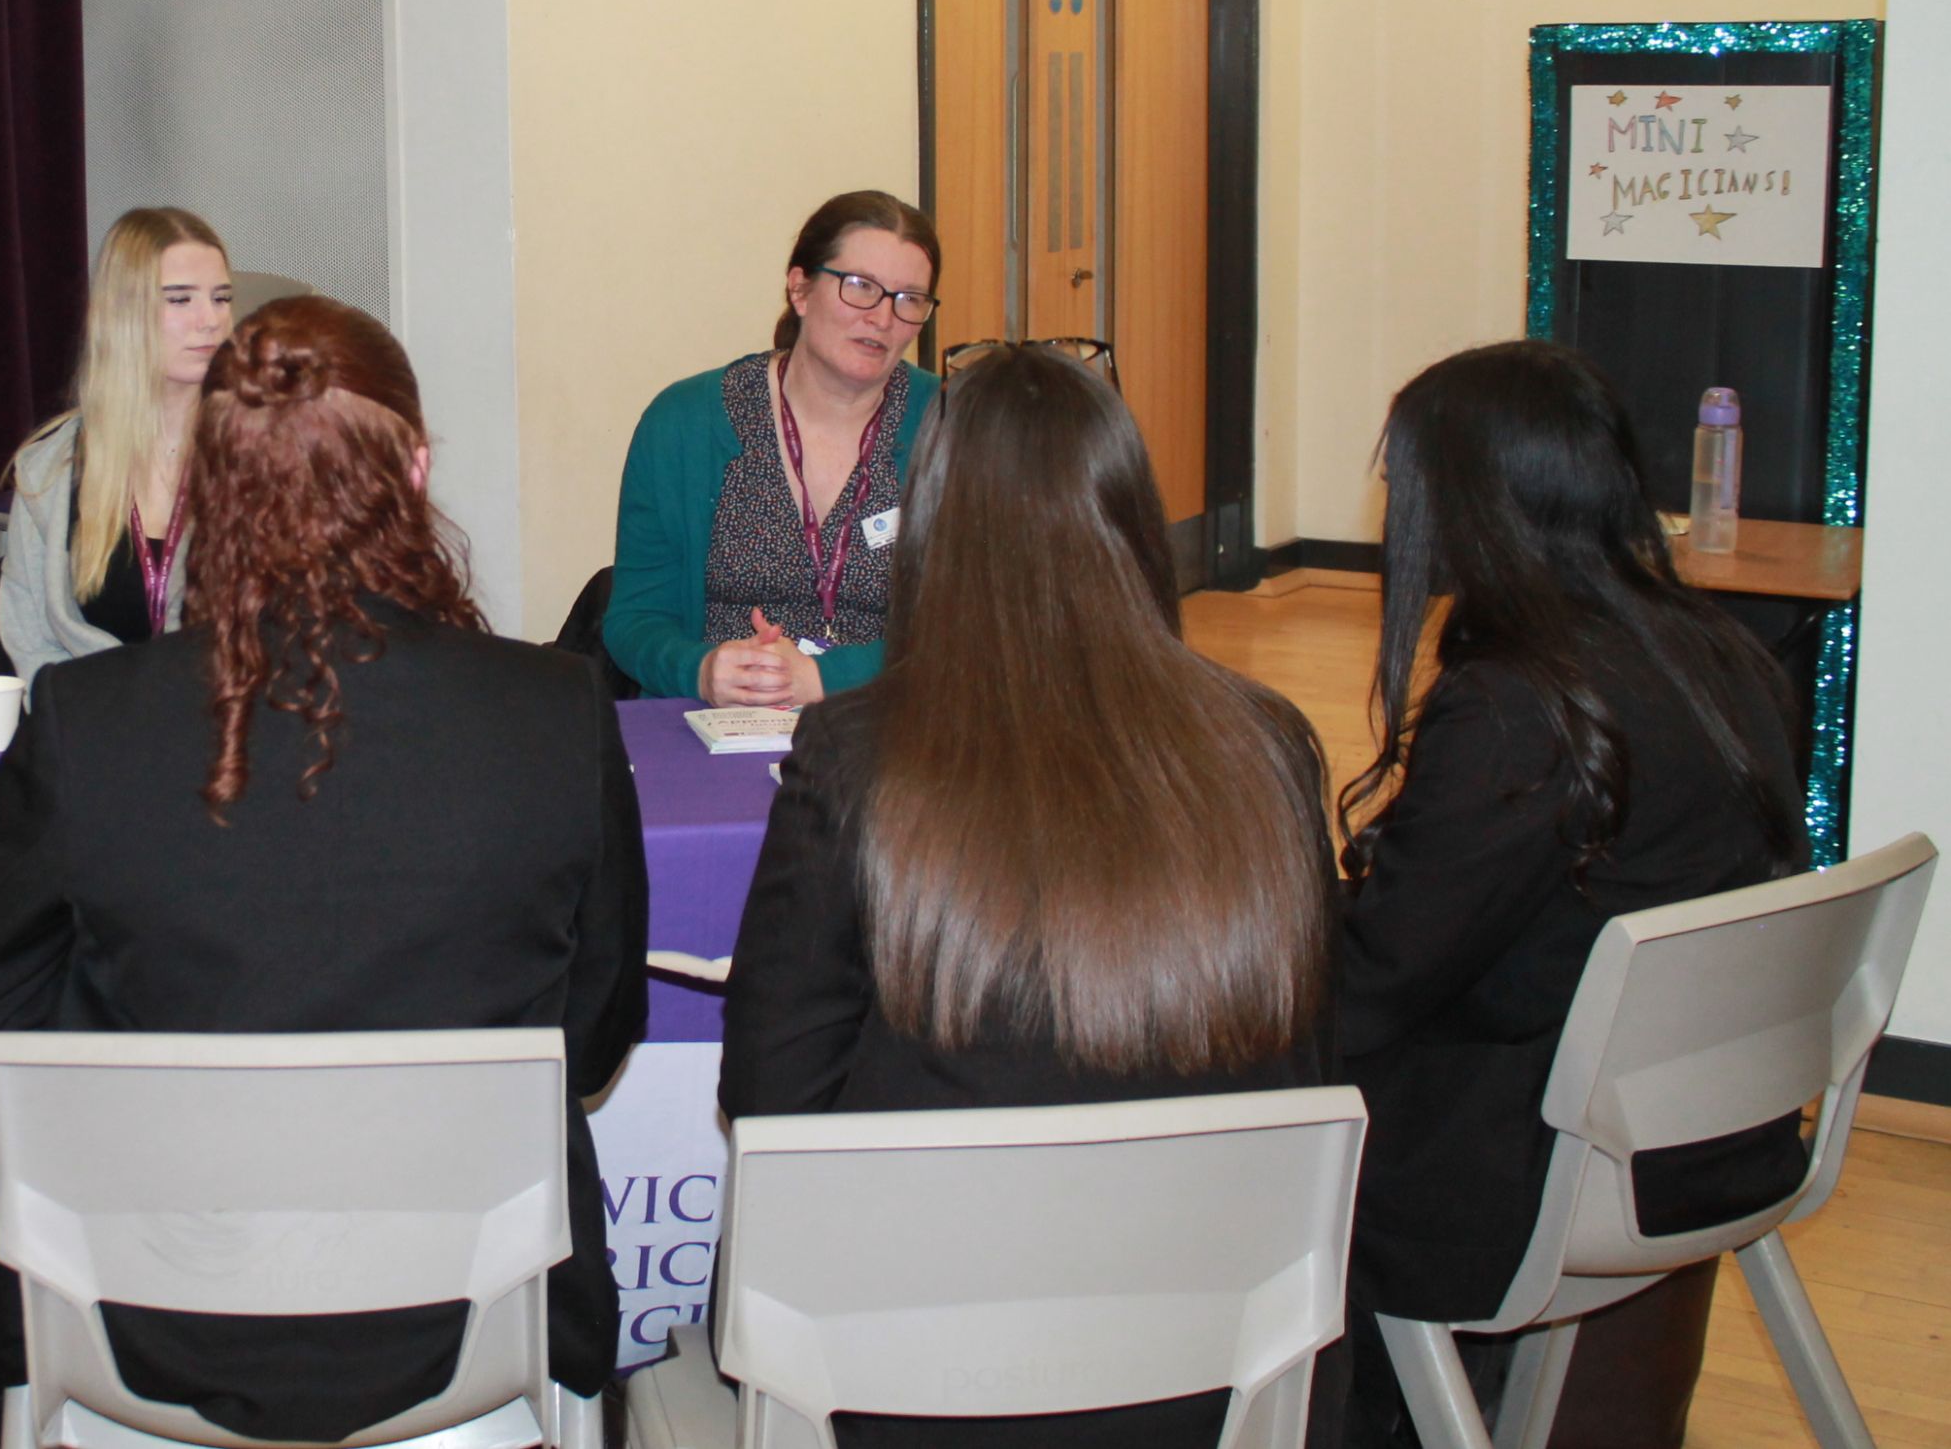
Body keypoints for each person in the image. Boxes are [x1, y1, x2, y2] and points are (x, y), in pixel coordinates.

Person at [0, 295, 649, 1434]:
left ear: (209, 489)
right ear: (418, 464)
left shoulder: (92, 718)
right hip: (480, 1336)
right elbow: (589, 1038)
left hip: (139, 1334)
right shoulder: (553, 709)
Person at [720, 341, 1334, 1449]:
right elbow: (1306, 1056)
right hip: (1213, 1376)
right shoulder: (1268, 746)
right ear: (1135, 519)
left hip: (911, 1379)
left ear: (934, 530)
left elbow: (770, 1093)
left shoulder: (855, 755)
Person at [1338, 341, 1809, 1431]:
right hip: (1704, 1127)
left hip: (1542, 1167)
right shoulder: (1714, 649)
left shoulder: (1522, 708)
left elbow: (1374, 982)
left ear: (1467, 498)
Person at [604, 190, 942, 707]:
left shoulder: (951, 426)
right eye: (860, 287)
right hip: (715, 724)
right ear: (800, 289)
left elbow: (980, 625)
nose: (883, 317)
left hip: (894, 724)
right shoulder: (684, 422)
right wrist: (701, 669)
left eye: (909, 299)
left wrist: (827, 678)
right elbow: (636, 618)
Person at [0, 205, 236, 680]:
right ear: (124, 312)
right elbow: (30, 642)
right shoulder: (52, 467)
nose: (211, 320)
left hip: (233, 729)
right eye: (180, 300)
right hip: (92, 727)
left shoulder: (268, 455)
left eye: (222, 298)